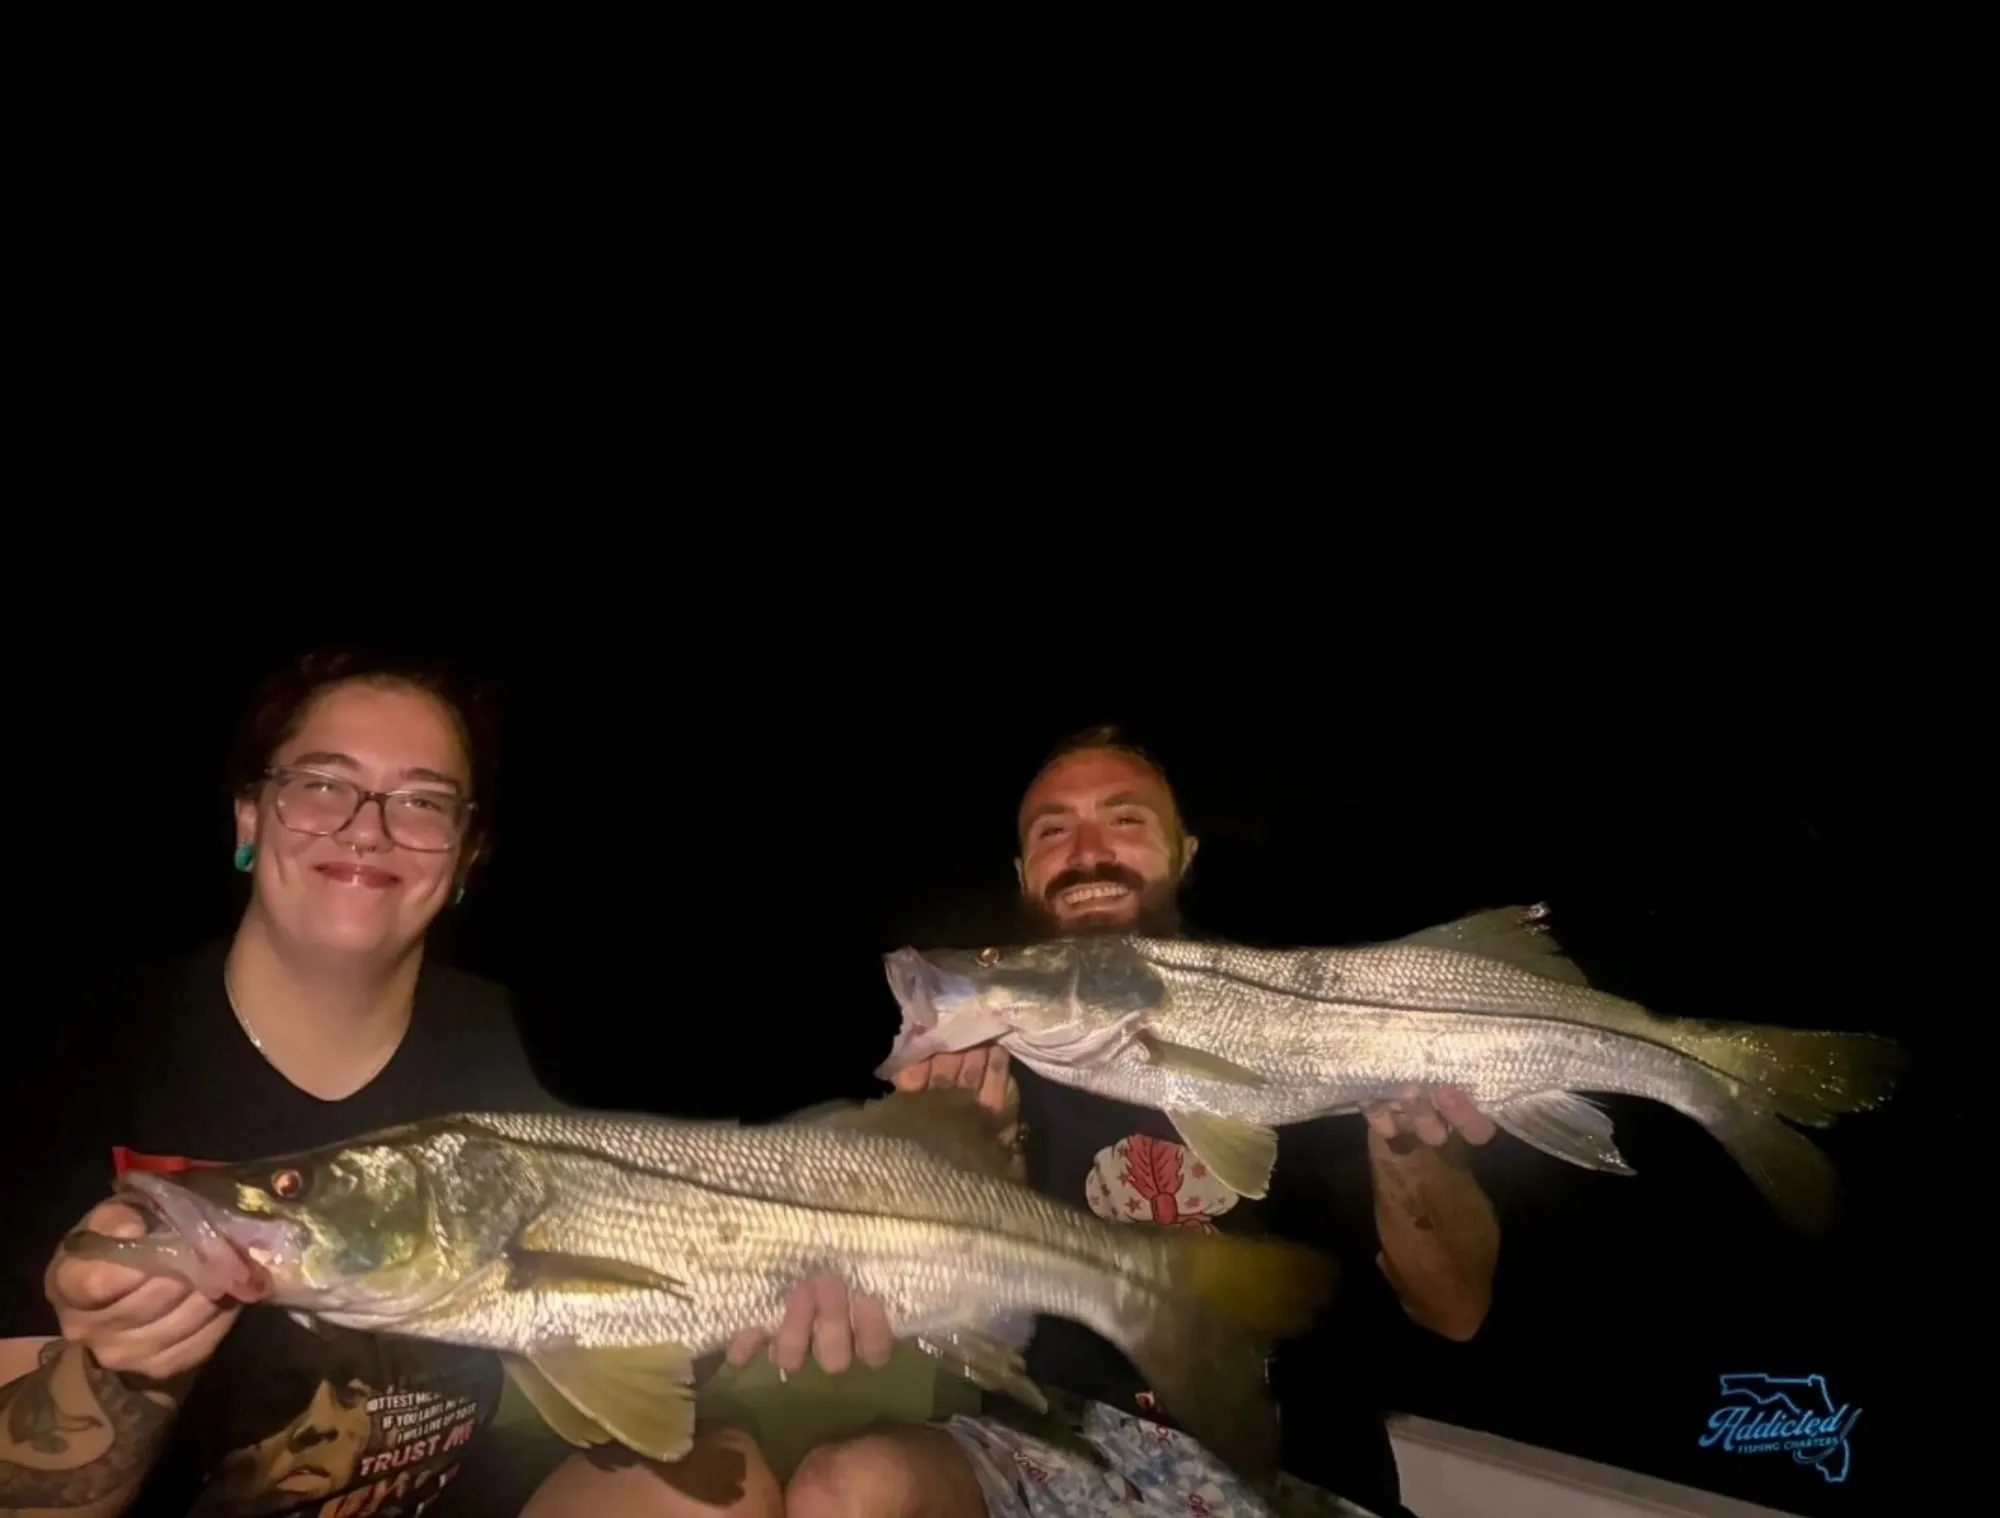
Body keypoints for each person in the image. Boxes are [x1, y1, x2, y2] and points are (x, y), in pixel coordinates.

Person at [726, 726, 1505, 1517]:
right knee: (845, 1492)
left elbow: (1454, 1309)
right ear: (1025, 872)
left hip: (1295, 1464)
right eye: (1053, 830)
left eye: (1125, 820)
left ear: (1185, 852)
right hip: (1064, 1444)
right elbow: (934, 1288)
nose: (1087, 851)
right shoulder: (983, 1049)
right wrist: (969, 1147)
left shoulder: (1307, 1019)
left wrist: (1408, 1148)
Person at [0, 649, 654, 1518]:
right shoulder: (74, 1059)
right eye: (321, 784)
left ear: (465, 856)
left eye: (422, 801)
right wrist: (127, 1374)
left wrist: (770, 1295)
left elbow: (638, 1332)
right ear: (248, 816)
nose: (367, 829)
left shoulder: (527, 1056)